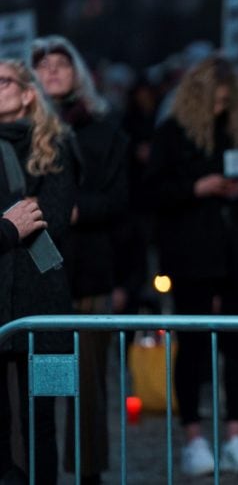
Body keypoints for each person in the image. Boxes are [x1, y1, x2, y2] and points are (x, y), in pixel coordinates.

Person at [144, 55, 238, 476]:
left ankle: (237, 432)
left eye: (225, 100)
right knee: (193, 347)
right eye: (213, 100)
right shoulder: (171, 134)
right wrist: (196, 187)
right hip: (192, 254)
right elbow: (151, 192)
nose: (220, 107)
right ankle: (193, 436)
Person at [31, 35, 130, 484]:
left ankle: (88, 473)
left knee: (88, 381)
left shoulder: (103, 129)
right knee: (43, 378)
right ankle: (40, 467)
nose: (52, 70)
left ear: (77, 72)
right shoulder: (19, 132)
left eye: (60, 63)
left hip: (89, 268)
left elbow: (123, 200)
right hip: (35, 270)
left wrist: (75, 209)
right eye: (42, 64)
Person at [0, 58, 76, 485]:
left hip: (43, 298)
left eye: (3, 81)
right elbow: (21, 219)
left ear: (28, 93)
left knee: (41, 418)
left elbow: (55, 217)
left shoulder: (55, 146)